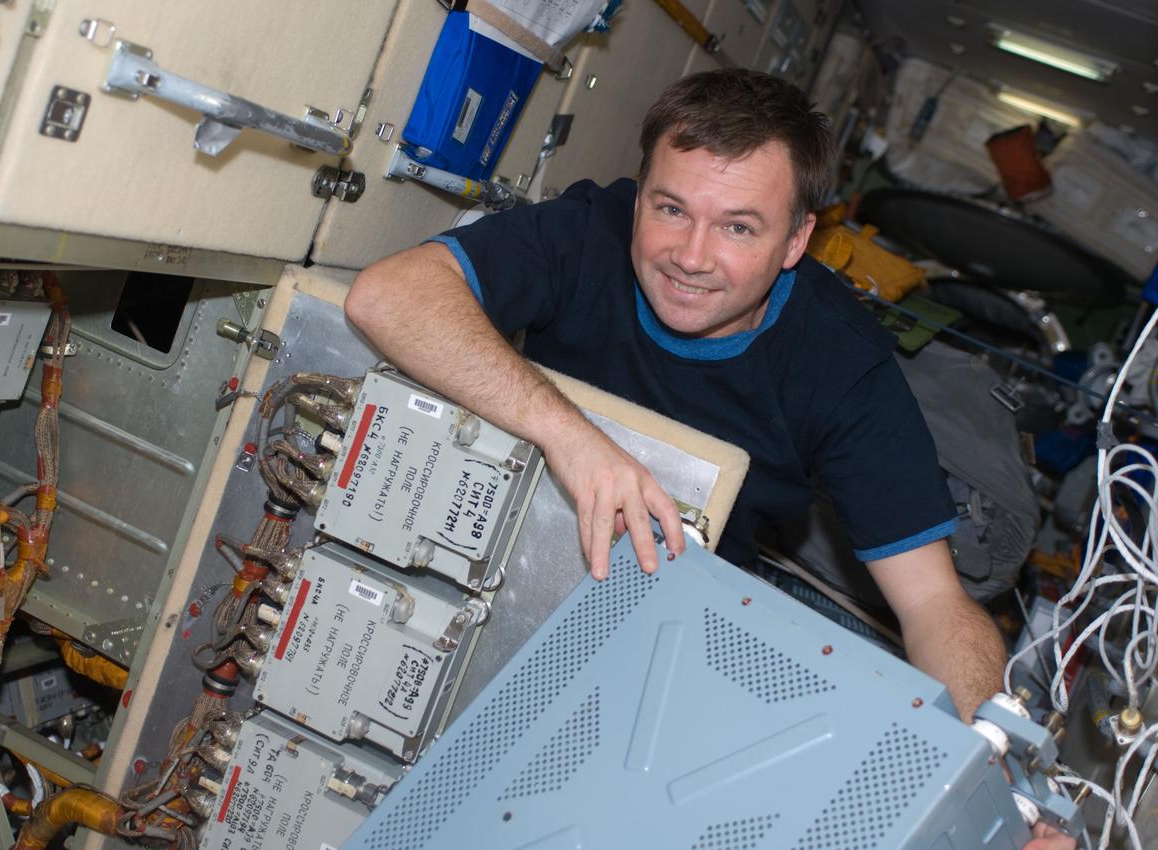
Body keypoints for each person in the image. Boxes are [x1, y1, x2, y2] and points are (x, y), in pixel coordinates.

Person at [346, 69, 1072, 848]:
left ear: (797, 239)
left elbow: (934, 605)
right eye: (670, 209)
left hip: (667, 648)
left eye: (738, 227)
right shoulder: (590, 228)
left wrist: (990, 778)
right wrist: (573, 437)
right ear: (643, 194)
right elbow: (387, 295)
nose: (690, 256)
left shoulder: (843, 368)